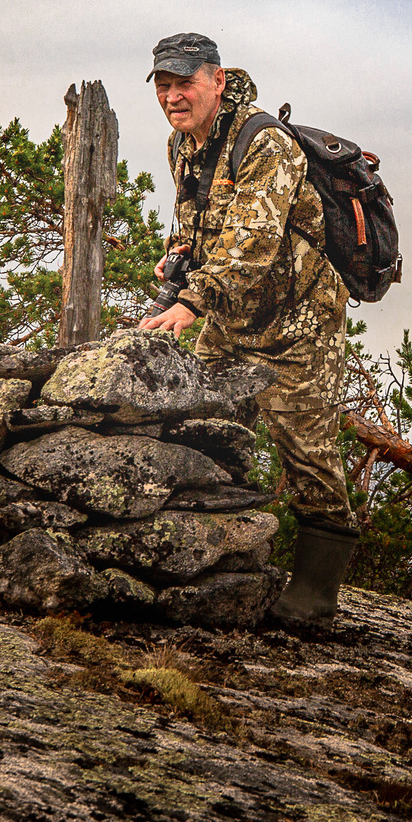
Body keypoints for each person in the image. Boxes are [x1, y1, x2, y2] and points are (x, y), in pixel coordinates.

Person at [137, 31, 358, 626]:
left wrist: (191, 301)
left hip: (299, 323)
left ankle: (313, 600)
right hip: (232, 317)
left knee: (308, 456)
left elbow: (254, 242)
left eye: (184, 83)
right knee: (202, 430)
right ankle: (218, 561)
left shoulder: (265, 142)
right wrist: (179, 255)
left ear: (217, 79)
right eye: (163, 85)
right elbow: (200, 220)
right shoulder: (183, 144)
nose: (172, 96)